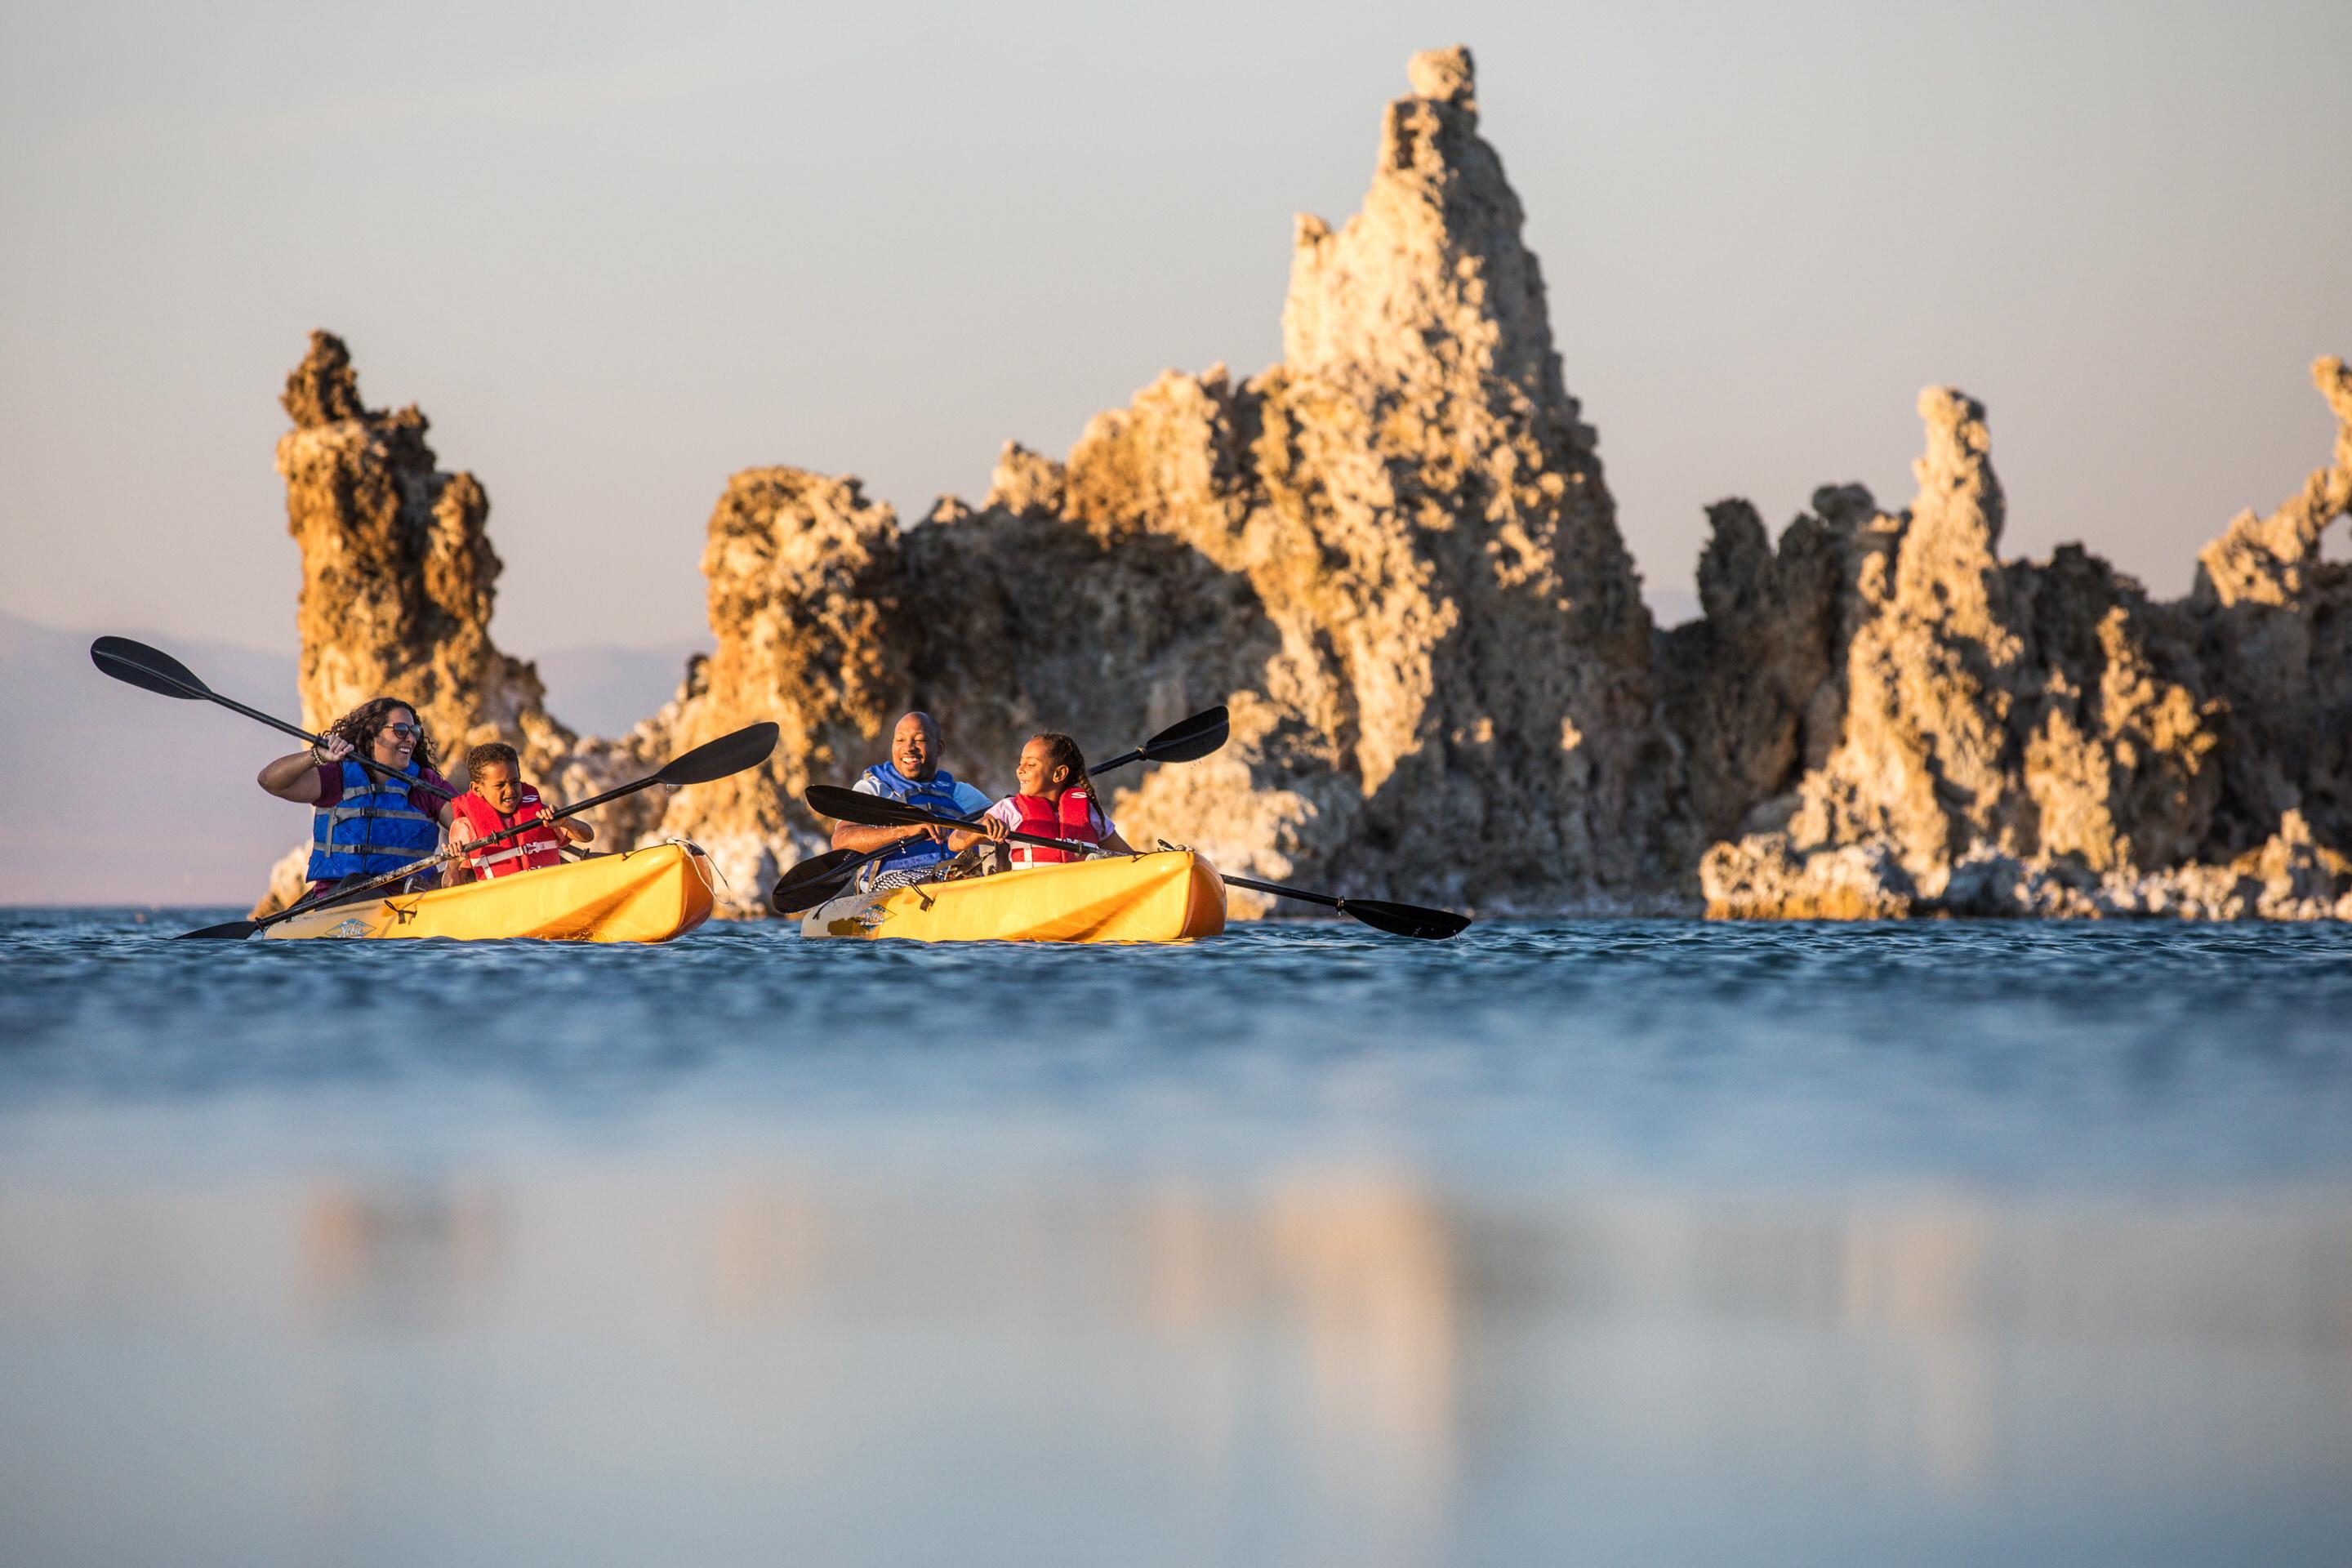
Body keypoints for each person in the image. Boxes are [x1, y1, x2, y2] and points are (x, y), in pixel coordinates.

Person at [256, 697, 457, 898]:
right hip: (340, 898)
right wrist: (316, 755)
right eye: (401, 730)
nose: (411, 739)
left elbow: (465, 821)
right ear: (372, 734)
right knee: (356, 883)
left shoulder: (426, 784)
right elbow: (269, 780)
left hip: (409, 898)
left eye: (414, 732)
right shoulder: (336, 777)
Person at [836, 710, 992, 890]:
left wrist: (994, 822)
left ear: (939, 748)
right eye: (900, 740)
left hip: (955, 880)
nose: (909, 747)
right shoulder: (874, 789)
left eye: (919, 740)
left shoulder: (961, 794)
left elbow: (1007, 822)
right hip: (892, 886)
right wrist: (907, 831)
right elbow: (841, 841)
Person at [951, 732, 1141, 867]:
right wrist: (982, 830)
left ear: (1059, 774)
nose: (1020, 769)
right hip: (1030, 899)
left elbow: (1129, 857)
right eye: (1020, 763)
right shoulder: (1009, 809)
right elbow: (955, 842)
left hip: (1080, 894)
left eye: (1031, 764)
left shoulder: (1091, 813)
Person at [445, 742, 592, 884]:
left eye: (515, 782)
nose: (510, 791)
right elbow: (450, 887)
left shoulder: (540, 812)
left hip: (550, 894)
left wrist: (566, 822)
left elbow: (587, 836)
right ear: (477, 789)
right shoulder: (465, 828)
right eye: (500, 785)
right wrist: (452, 865)